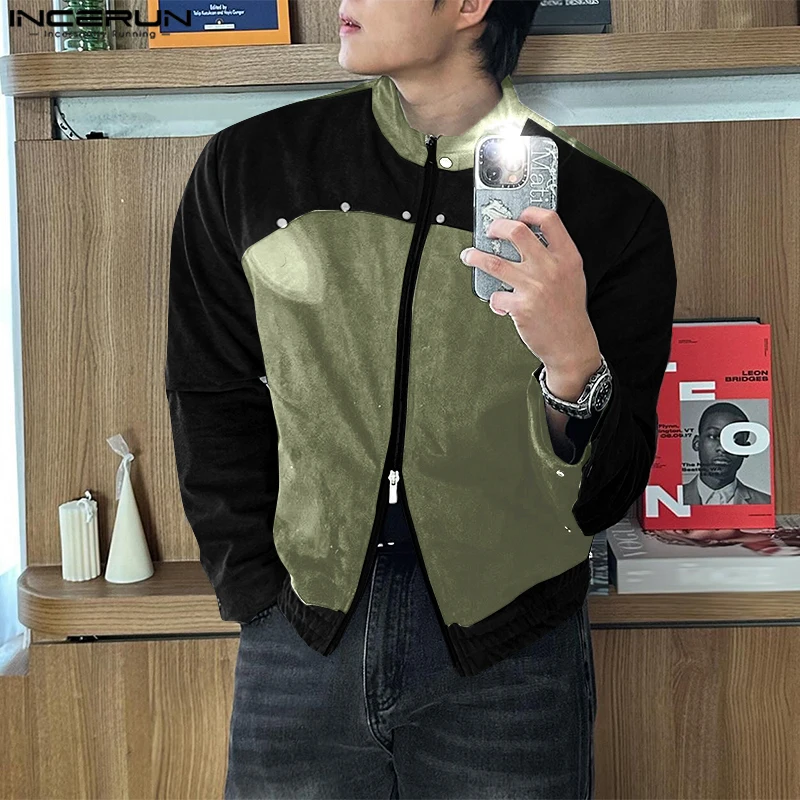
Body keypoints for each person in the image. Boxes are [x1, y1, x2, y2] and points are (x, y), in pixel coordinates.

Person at [164, 0, 678, 796]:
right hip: (302, 637)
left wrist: (574, 360)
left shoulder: (612, 215)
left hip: (511, 656)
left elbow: (607, 493)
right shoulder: (253, 168)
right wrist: (256, 593)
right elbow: (210, 390)